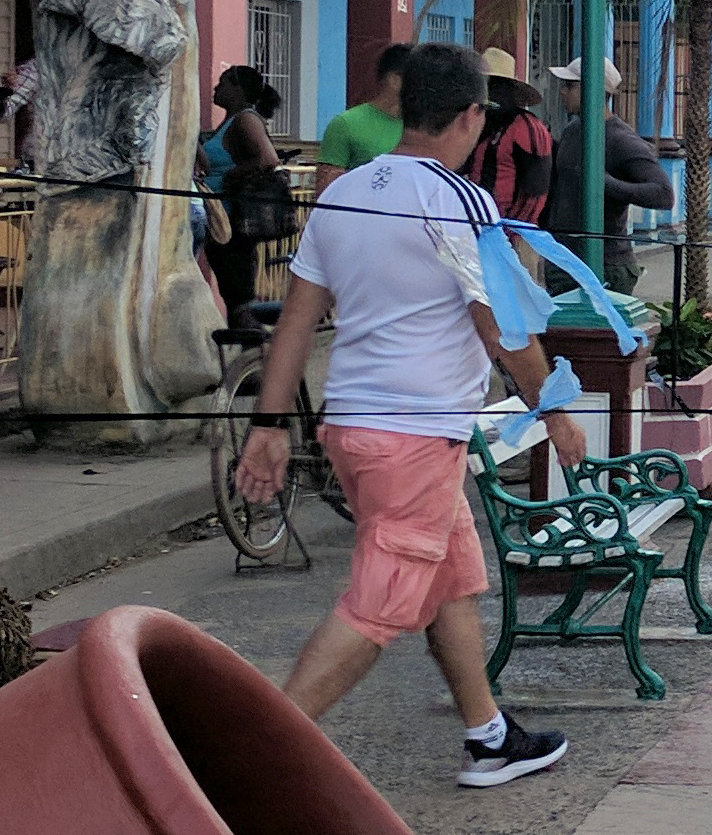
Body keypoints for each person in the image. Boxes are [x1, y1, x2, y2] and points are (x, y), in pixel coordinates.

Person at [231, 41, 579, 787]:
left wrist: (268, 427)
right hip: (414, 437)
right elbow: (503, 328)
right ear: (473, 117)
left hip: (355, 428)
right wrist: (555, 411)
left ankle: (487, 735)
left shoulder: (346, 191)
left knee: (450, 577)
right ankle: (254, 757)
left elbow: (295, 322)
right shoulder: (461, 201)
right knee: (382, 602)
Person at [543, 61, 672, 293]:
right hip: (564, 261)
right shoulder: (572, 131)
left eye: (570, 85)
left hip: (606, 264)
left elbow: (662, 194)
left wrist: (606, 184)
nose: (562, 91)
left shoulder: (621, 140)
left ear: (592, 90)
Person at [195, 64, 290, 331]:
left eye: (223, 82)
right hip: (219, 219)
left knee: (239, 298)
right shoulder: (228, 122)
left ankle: (256, 357)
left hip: (233, 222)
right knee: (232, 293)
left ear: (237, 89)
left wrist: (230, 177)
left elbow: (267, 158)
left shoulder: (245, 119)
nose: (216, 87)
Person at [477, 49, 555, 227]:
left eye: (496, 86)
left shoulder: (528, 129)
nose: (489, 92)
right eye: (485, 84)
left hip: (512, 231)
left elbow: (535, 192)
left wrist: (513, 231)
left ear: (510, 90)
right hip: (475, 225)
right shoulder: (478, 122)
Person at [318, 45, 409, 172]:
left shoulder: (427, 128)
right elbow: (329, 188)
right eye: (418, 79)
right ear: (394, 80)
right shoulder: (345, 125)